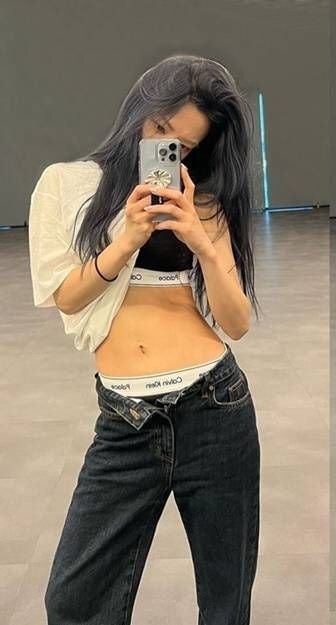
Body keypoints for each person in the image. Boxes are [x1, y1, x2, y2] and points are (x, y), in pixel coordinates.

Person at [28, 54, 260, 625]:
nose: (163, 147)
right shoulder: (67, 185)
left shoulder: (202, 201)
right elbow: (68, 297)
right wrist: (126, 240)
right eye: (159, 127)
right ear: (139, 107)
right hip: (125, 420)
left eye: (182, 144)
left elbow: (236, 321)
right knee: (74, 601)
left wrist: (201, 241)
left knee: (225, 601)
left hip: (215, 405)